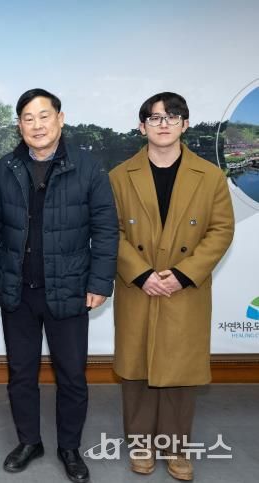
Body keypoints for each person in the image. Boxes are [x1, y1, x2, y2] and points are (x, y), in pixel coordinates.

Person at [0, 89, 118, 483]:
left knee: (72, 375)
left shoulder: (88, 167)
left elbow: (105, 229)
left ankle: (69, 448)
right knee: (20, 374)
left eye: (44, 116)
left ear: (60, 119)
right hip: (17, 291)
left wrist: (100, 281)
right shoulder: (6, 167)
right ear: (19, 126)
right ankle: (29, 441)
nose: (37, 125)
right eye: (28, 118)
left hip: (70, 289)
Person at [109, 92, 234, 481]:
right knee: (136, 370)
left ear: (185, 124)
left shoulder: (210, 175)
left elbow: (220, 230)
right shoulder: (119, 175)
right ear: (141, 126)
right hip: (138, 286)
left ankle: (177, 448)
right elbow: (109, 231)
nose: (163, 124)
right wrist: (141, 274)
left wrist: (182, 274)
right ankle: (141, 445)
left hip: (185, 287)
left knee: (180, 371)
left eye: (172, 116)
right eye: (155, 117)